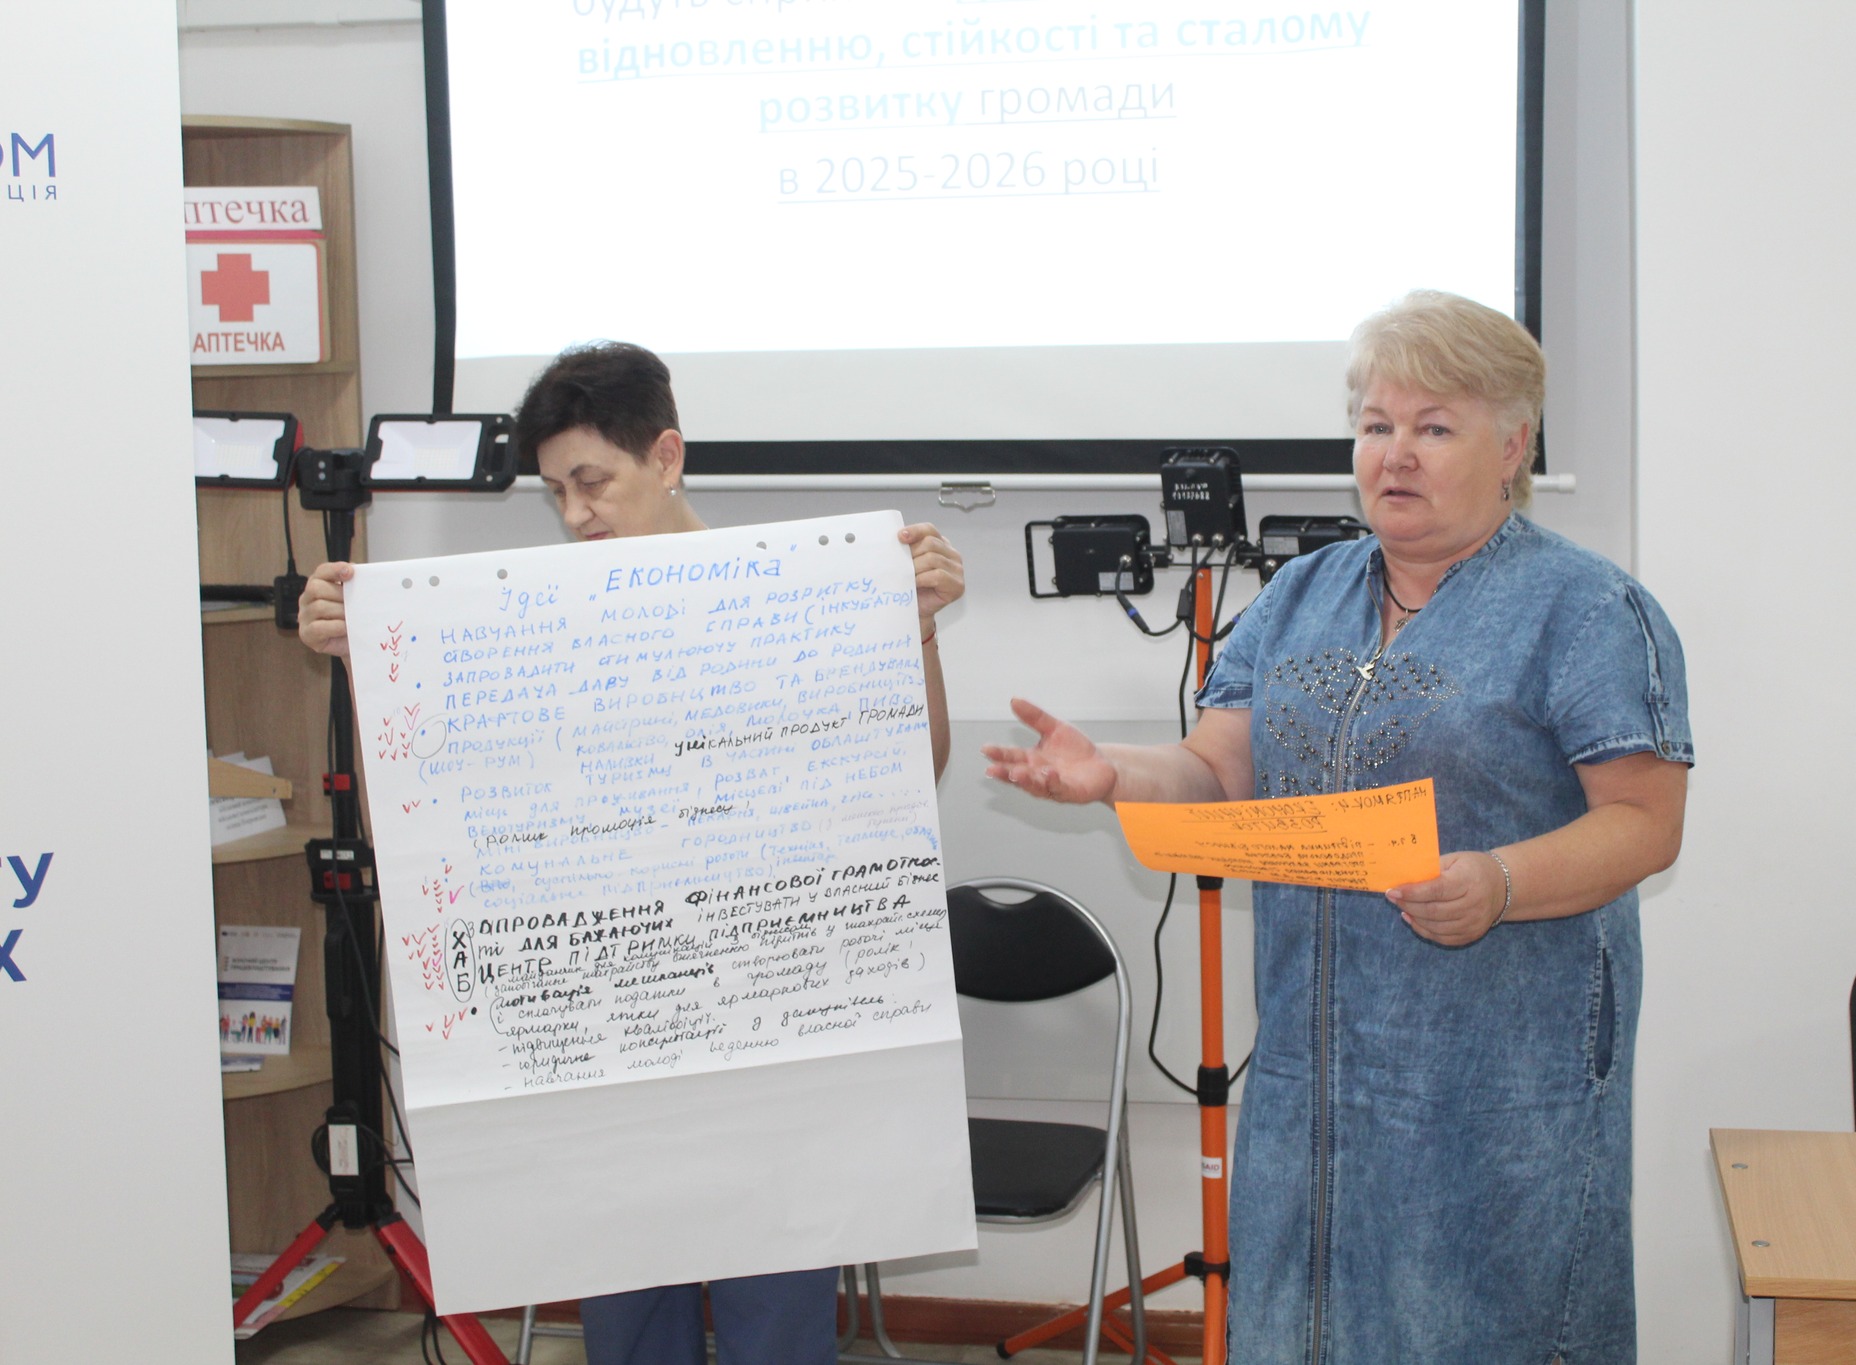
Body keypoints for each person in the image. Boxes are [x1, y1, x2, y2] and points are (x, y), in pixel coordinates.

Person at [983, 291, 1690, 1363]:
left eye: (1433, 427)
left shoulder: (1587, 609)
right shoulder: (1300, 595)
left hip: (1498, 1083)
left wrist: (1497, 882)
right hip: (1310, 1078)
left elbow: (1643, 822)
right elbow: (1216, 770)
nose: (1394, 454)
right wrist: (1112, 775)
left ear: (1512, 448)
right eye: (1374, 425)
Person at [297, 341, 966, 1365]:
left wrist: (912, 628)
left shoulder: (794, 595)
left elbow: (909, 772)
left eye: (591, 482)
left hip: (771, 1032)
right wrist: (364, 662)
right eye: (555, 492)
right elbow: (423, 829)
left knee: (777, 1330)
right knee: (629, 1329)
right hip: (606, 1048)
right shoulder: (519, 632)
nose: (574, 513)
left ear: (665, 455)